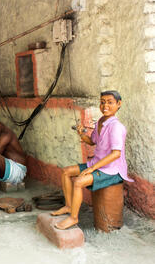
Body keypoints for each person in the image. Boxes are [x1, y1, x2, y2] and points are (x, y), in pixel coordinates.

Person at [51, 90, 134, 230]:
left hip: (112, 170)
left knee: (78, 182)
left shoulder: (116, 127)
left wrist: (92, 169)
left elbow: (115, 154)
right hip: (96, 164)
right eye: (102, 102)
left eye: (110, 102)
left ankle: (73, 218)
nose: (105, 106)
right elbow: (91, 141)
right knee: (66, 172)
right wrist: (82, 133)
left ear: (119, 104)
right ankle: (68, 206)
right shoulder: (101, 122)